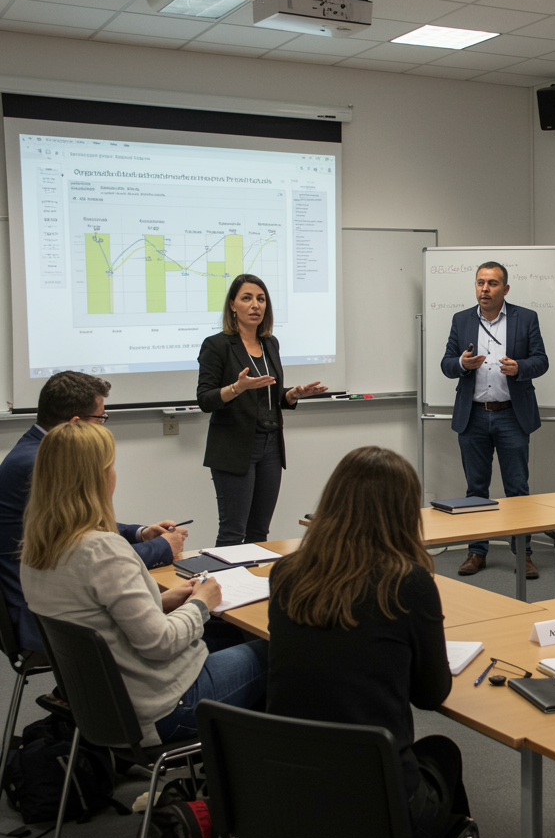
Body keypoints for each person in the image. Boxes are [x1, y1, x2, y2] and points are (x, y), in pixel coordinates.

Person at [267, 446, 466, 838]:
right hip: (378, 810)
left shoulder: (286, 575)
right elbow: (431, 694)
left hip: (283, 801)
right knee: (442, 754)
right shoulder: (408, 583)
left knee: (351, 748)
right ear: (404, 512)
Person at [19, 422, 267, 745]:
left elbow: (103, 618)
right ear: (95, 478)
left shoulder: (37, 549)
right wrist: (200, 603)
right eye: (111, 466)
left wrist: (167, 601)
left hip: (106, 707)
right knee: (279, 652)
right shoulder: (101, 550)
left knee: (233, 635)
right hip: (163, 707)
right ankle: (241, 781)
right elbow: (159, 643)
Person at [0, 371, 186, 655]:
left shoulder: (34, 449)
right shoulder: (38, 463)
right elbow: (92, 560)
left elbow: (80, 523)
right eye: (101, 418)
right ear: (77, 423)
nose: (103, 424)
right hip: (46, 618)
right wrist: (162, 547)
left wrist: (141, 533)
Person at [197, 274, 326, 546]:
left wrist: (290, 395)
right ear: (233, 305)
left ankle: (254, 588)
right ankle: (228, 589)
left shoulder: (270, 343)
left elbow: (269, 394)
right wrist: (237, 387)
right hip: (234, 448)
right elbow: (205, 399)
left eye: (261, 299)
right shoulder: (217, 345)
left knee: (260, 533)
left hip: (270, 446)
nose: (255, 305)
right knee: (233, 532)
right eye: (247, 298)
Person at [440, 261, 549, 579]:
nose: (484, 289)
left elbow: (541, 360)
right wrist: (462, 362)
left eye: (492, 283)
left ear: (505, 289)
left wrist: (520, 368)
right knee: (476, 488)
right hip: (473, 416)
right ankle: (477, 552)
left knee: (517, 488)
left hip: (511, 416)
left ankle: (523, 554)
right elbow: (447, 364)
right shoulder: (461, 320)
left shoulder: (525, 318)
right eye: (480, 283)